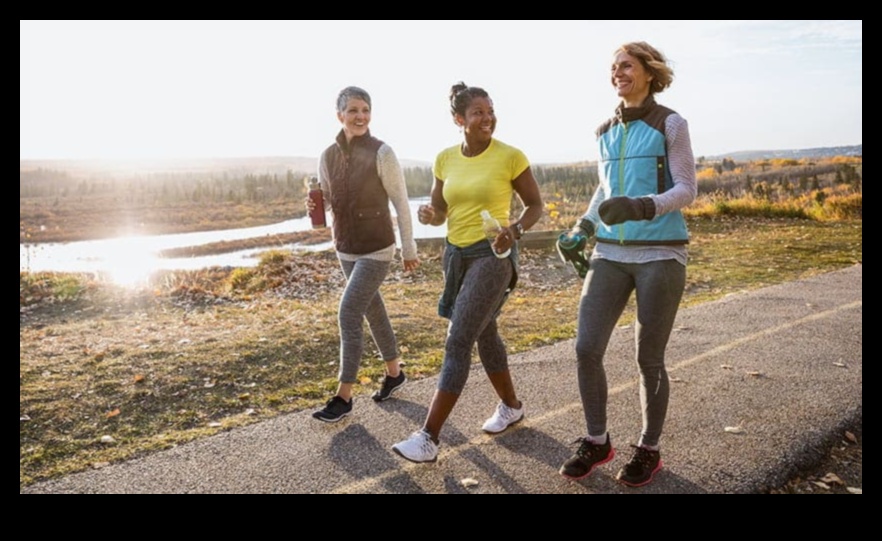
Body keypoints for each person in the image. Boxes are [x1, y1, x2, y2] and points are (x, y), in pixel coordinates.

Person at [557, 42, 697, 486]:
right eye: (613, 67)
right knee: (585, 348)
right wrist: (582, 226)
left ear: (649, 73)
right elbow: (604, 192)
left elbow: (686, 189)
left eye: (627, 66)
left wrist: (641, 206)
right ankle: (597, 440)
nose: (618, 73)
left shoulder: (670, 123)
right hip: (611, 255)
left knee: (648, 358)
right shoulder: (604, 130)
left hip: (661, 253)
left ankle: (648, 450)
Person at [391, 82, 543, 463]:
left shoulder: (510, 156)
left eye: (490, 110)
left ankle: (428, 437)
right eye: (478, 112)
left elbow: (535, 205)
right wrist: (430, 215)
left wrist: (516, 230)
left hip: (494, 255)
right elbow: (440, 210)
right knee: (484, 331)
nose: (487, 117)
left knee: (458, 339)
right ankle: (511, 406)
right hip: (456, 256)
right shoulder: (444, 159)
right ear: (459, 119)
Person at [310, 86, 420, 423]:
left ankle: (344, 396)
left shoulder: (382, 152)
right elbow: (329, 199)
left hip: (377, 248)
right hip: (345, 247)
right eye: (354, 110)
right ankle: (394, 373)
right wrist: (317, 206)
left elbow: (401, 203)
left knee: (348, 312)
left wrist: (408, 249)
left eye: (366, 110)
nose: (361, 117)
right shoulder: (327, 155)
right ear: (339, 114)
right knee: (373, 310)